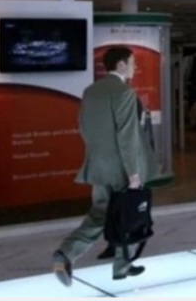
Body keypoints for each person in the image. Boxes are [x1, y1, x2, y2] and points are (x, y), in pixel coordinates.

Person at [52, 46, 157, 286]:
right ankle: (87, 258)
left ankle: (112, 263)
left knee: (102, 212)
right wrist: (134, 173)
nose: (135, 67)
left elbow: (84, 127)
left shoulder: (91, 91)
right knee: (128, 214)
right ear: (121, 65)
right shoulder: (123, 92)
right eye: (132, 62)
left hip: (99, 165)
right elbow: (127, 135)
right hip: (122, 168)